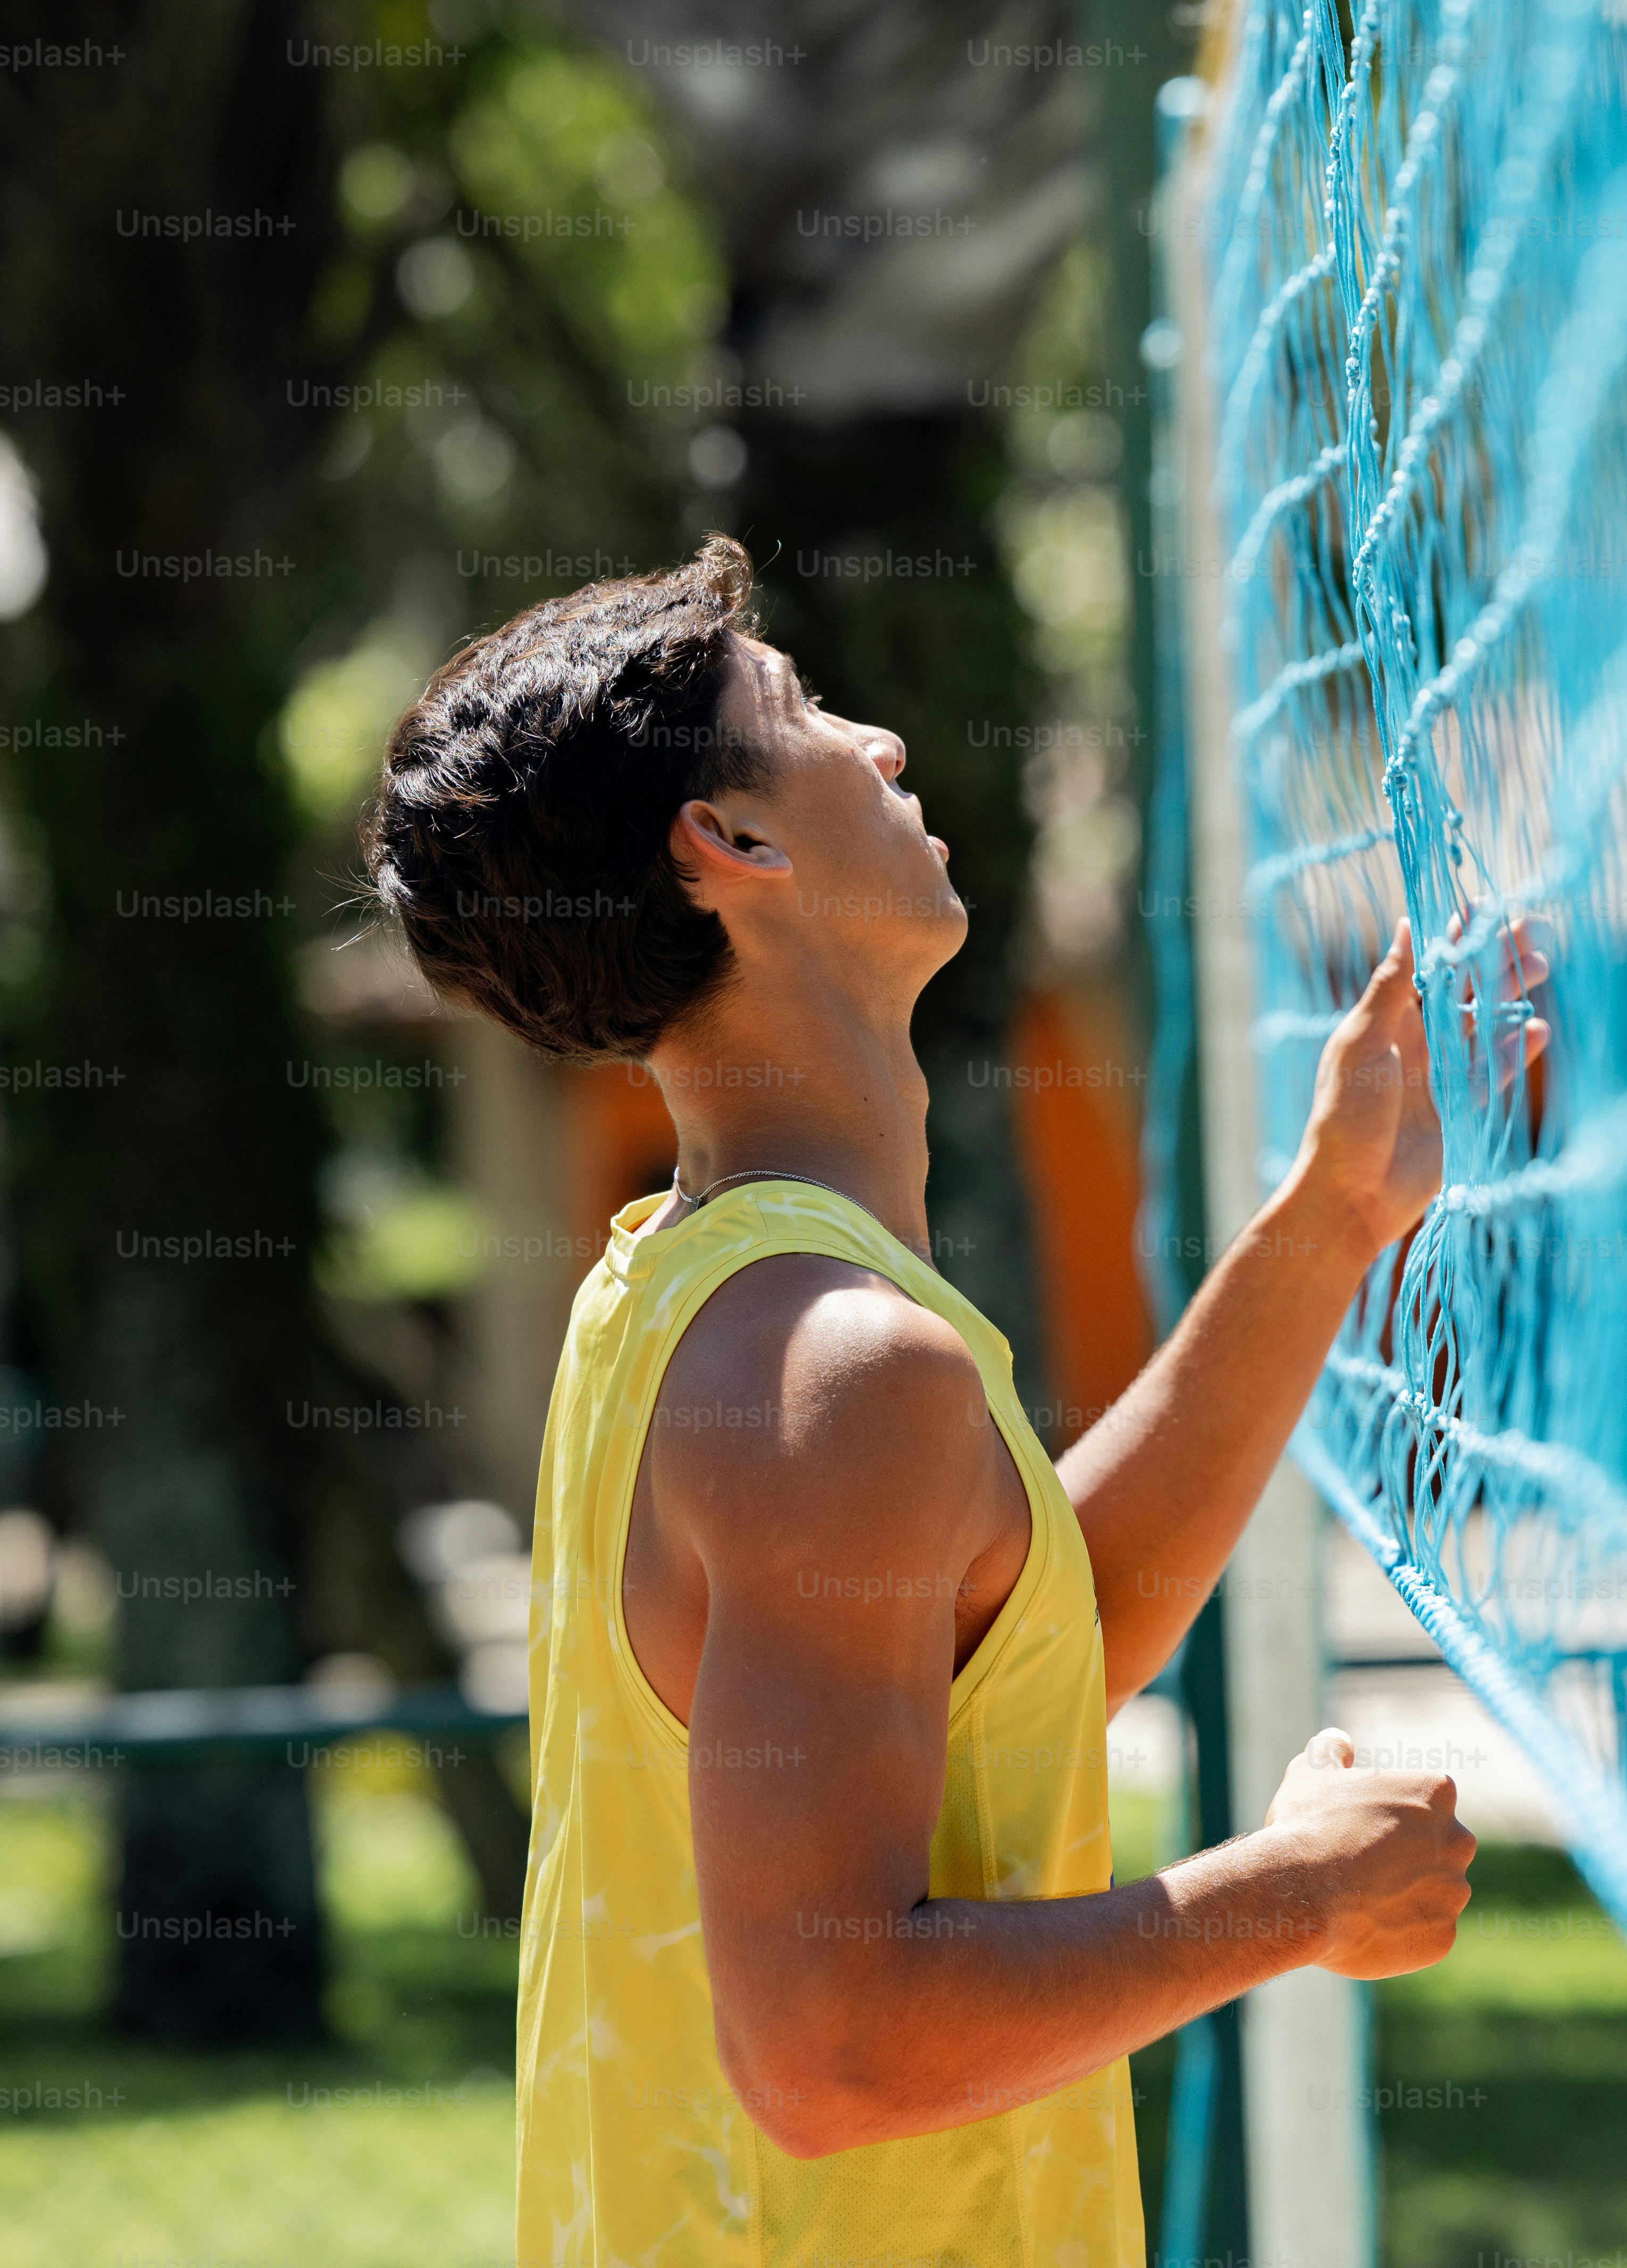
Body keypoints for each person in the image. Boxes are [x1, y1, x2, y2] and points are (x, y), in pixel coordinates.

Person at [368, 535, 1537, 2268]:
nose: (884, 745)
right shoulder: (831, 1366)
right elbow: (833, 2044)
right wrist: (1293, 1891)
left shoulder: (682, 1294)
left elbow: (1033, 1623)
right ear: (736, 844)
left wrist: (1332, 1217)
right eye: (810, 711)